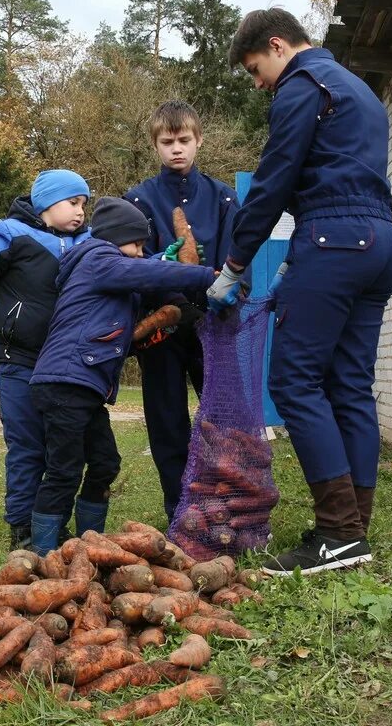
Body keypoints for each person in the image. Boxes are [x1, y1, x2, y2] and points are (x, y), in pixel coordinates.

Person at [212, 8, 392, 575]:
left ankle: (338, 533)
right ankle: (352, 530)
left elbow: (274, 182)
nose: (258, 83)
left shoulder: (301, 85)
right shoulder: (361, 92)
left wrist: (236, 263)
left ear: (277, 45)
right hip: (381, 242)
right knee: (349, 385)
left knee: (294, 381)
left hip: (333, 239)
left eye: (255, 69)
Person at [26, 197, 217, 556]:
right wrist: (208, 275)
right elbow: (144, 273)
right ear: (115, 238)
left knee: (105, 463)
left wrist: (167, 281)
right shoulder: (97, 258)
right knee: (64, 472)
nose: (142, 253)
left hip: (83, 388)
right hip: (64, 384)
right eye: (137, 244)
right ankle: (43, 556)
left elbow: (140, 289)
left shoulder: (112, 275)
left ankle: (88, 548)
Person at [0, 170, 92, 550]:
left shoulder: (89, 242)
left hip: (67, 365)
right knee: (27, 446)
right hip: (19, 361)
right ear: (46, 203)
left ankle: (53, 525)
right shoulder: (11, 234)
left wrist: (162, 259)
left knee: (62, 450)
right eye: (73, 202)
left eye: (84, 204)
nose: (80, 212)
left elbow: (126, 265)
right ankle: (22, 530)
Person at [123, 101, 239, 526]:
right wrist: (170, 274)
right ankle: (180, 509)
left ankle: (227, 503)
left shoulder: (224, 196)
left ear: (198, 141)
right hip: (163, 327)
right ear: (155, 145)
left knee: (222, 420)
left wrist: (217, 287)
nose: (177, 149)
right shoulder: (137, 199)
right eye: (167, 142)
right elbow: (132, 260)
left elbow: (234, 256)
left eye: (184, 140)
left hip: (214, 321)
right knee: (167, 418)